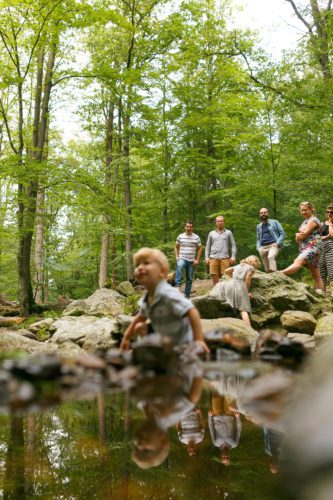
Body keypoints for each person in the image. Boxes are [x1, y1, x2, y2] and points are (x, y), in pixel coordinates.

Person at [120, 247, 209, 351]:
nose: (140, 267)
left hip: (182, 345)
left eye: (146, 263)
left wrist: (198, 340)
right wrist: (126, 337)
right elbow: (140, 317)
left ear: (162, 271)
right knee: (140, 326)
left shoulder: (167, 293)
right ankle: (148, 351)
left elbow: (192, 311)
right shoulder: (147, 297)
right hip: (163, 340)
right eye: (137, 265)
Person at [281, 202, 324, 292]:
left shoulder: (313, 220)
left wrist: (299, 235)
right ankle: (321, 293)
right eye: (302, 210)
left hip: (313, 245)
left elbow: (303, 235)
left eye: (305, 210)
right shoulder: (304, 222)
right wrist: (298, 236)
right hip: (306, 247)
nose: (303, 212)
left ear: (311, 209)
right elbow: (298, 239)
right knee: (315, 273)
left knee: (298, 261)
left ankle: (280, 274)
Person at [214, 255, 261, 326]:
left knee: (230, 306)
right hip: (240, 287)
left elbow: (226, 271)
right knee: (243, 309)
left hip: (229, 285)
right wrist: (247, 292)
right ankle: (249, 330)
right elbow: (248, 279)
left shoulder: (239, 265)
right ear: (255, 262)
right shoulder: (251, 268)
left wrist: (235, 278)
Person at [208, 393, 242, 465]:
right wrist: (238, 417)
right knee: (229, 393)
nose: (225, 456)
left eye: (224, 458)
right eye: (227, 458)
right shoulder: (234, 444)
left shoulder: (216, 443)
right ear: (229, 456)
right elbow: (239, 430)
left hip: (216, 416)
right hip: (229, 415)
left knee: (216, 392)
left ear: (221, 456)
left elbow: (211, 428)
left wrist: (210, 416)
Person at [205, 215, 237, 286]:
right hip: (213, 257)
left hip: (225, 257)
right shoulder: (211, 233)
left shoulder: (228, 233)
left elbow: (233, 244)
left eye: (221, 221)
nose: (220, 222)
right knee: (214, 275)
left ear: (224, 222)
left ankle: (225, 293)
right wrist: (206, 257)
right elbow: (208, 246)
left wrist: (233, 256)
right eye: (218, 221)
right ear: (216, 223)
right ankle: (215, 293)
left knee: (226, 276)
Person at [174, 221, 202, 298]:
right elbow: (176, 247)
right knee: (179, 265)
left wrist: (197, 260)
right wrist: (177, 257)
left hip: (191, 261)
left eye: (190, 227)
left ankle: (186, 296)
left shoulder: (196, 237)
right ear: (185, 227)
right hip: (182, 258)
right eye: (187, 227)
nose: (189, 228)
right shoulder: (180, 236)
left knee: (189, 278)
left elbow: (199, 249)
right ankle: (177, 286)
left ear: (192, 228)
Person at [256, 208, 285, 272]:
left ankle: (275, 275)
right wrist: (258, 248)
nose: (263, 214)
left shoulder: (275, 222)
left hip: (273, 245)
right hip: (263, 247)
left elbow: (282, 233)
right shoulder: (259, 226)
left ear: (268, 214)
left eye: (265, 212)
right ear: (260, 215)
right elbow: (258, 239)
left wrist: (277, 243)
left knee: (271, 257)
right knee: (267, 269)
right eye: (261, 213)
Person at [320, 203, 333, 295]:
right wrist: (326, 237)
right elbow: (317, 237)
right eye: (327, 212)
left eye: (331, 212)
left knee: (331, 270)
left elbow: (332, 236)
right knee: (322, 271)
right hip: (321, 248)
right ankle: (322, 292)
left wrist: (331, 223)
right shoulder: (321, 224)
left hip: (331, 248)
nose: (329, 214)